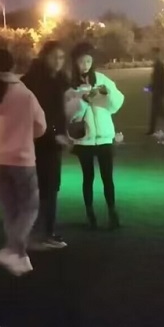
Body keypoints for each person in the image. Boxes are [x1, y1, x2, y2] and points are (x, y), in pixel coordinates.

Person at [0, 47, 46, 276]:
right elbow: (41, 126)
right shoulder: (25, 94)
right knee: (30, 207)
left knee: (11, 211)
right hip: (21, 160)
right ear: (13, 65)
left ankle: (20, 258)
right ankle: (12, 249)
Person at [69, 44, 124, 231]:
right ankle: (90, 212)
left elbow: (116, 105)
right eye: (81, 61)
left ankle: (112, 212)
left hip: (104, 137)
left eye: (88, 61)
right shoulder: (70, 85)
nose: (85, 65)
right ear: (74, 63)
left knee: (107, 177)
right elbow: (69, 115)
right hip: (84, 139)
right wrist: (83, 101)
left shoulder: (101, 79)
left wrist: (107, 95)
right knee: (88, 177)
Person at [23, 41, 72, 248]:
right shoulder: (36, 81)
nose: (58, 62)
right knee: (43, 189)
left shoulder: (59, 80)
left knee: (50, 188)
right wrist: (54, 135)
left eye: (61, 57)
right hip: (38, 143)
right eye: (54, 57)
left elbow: (60, 112)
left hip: (51, 142)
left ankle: (43, 232)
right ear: (45, 57)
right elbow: (39, 116)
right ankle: (41, 234)